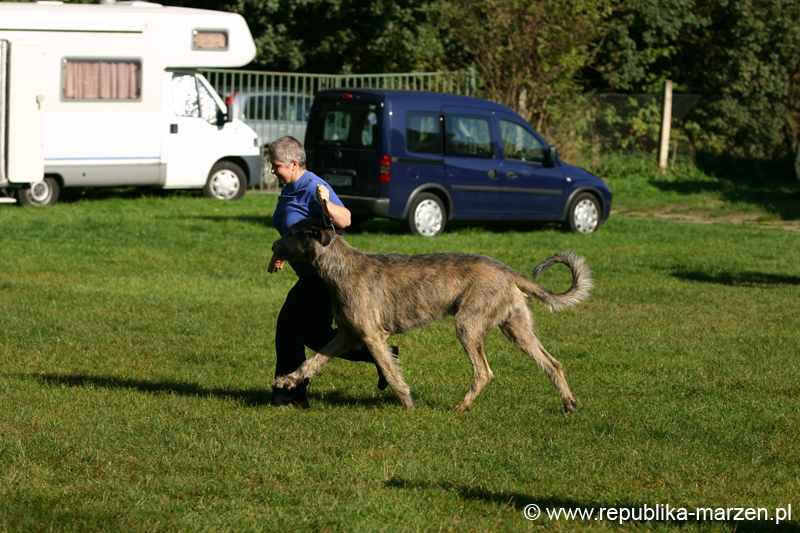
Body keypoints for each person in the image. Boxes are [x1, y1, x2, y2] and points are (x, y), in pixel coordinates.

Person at [267, 136, 396, 408]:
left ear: (293, 163)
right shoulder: (291, 186)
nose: (272, 171)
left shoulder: (314, 185)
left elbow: (345, 219)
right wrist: (281, 254)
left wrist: (325, 202)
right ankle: (381, 355)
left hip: (322, 278)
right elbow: (296, 231)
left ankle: (291, 397)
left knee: (288, 331)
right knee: (316, 336)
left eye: (275, 165)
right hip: (309, 275)